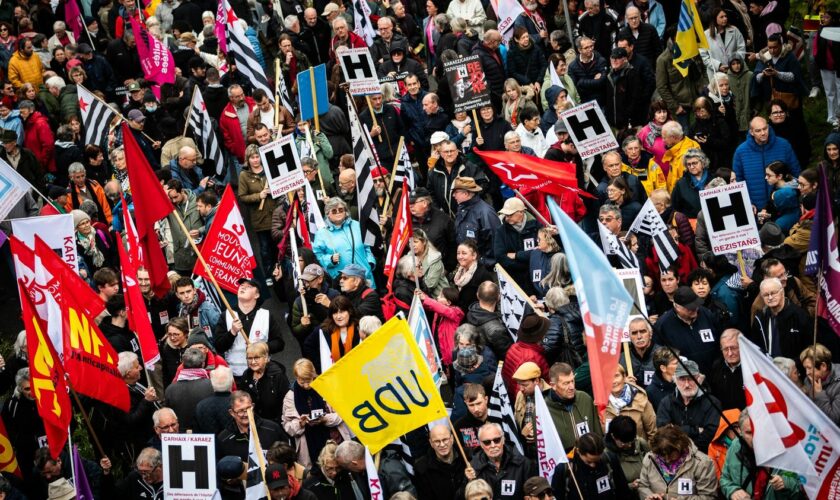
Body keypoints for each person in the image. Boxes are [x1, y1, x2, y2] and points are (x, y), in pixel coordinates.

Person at [720, 409, 804, 499]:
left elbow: (801, 488)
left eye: (758, 431)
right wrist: (733, 491)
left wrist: (786, 483)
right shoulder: (735, 447)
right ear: (740, 431)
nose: (754, 438)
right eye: (749, 433)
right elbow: (724, 479)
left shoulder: (784, 449)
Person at [282, 358, 351, 468]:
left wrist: (325, 419)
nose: (306, 385)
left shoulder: (327, 386)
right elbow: (287, 426)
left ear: (313, 374)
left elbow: (344, 413)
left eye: (309, 381)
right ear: (296, 377)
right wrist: (300, 423)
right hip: (308, 449)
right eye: (301, 382)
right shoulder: (290, 397)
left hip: (334, 441)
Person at [213, 277, 285, 380]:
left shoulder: (266, 315)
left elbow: (279, 343)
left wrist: (261, 346)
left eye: (249, 286)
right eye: (241, 285)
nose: (243, 287)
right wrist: (232, 332)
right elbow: (219, 346)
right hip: (236, 375)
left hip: (262, 373)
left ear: (257, 295)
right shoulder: (226, 315)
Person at [732, 116, 800, 211]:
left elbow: (796, 173)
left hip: (783, 204)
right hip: (755, 208)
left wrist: (798, 198)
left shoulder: (784, 145)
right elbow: (738, 182)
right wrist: (748, 203)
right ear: (751, 132)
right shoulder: (741, 152)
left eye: (765, 129)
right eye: (758, 131)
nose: (763, 133)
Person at [655, 359, 721, 452]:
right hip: (673, 456)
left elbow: (710, 435)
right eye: (682, 379)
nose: (686, 384)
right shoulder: (666, 403)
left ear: (699, 379)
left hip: (703, 457)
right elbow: (664, 434)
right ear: (675, 380)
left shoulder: (712, 403)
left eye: (691, 378)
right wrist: (695, 430)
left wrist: (676, 431)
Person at [638, 425, 719, 499]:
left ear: (680, 447)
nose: (667, 459)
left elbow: (709, 497)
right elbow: (643, 486)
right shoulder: (650, 458)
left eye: (670, 454)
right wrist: (649, 496)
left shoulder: (702, 463)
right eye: (662, 455)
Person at [653, 286, 721, 375]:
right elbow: (659, 357)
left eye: (696, 305)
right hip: (684, 378)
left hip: (714, 374)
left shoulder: (707, 314)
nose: (694, 309)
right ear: (677, 306)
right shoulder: (663, 325)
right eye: (689, 308)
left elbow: (720, 340)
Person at [311, 197, 377, 287]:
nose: (338, 212)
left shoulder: (357, 225)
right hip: (342, 280)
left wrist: (370, 263)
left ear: (345, 212)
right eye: (334, 211)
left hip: (364, 276)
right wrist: (330, 259)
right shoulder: (322, 233)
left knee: (369, 299)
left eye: (341, 210)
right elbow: (318, 255)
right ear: (328, 214)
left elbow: (367, 246)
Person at [465, 423, 536, 500]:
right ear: (481, 444)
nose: (493, 445)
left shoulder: (524, 464)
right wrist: (469, 482)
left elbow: (534, 494)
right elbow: (461, 497)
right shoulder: (473, 467)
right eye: (487, 442)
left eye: (497, 440)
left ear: (503, 439)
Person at [551, 432, 632, 499]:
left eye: (596, 461)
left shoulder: (609, 459)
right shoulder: (564, 469)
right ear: (579, 451)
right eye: (589, 462)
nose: (593, 465)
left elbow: (623, 490)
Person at [545, 362, 603, 453]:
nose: (571, 387)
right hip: (566, 464)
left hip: (592, 459)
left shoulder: (585, 399)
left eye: (572, 381)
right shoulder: (545, 411)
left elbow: (598, 433)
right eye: (566, 383)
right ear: (553, 386)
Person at [749, 277, 811, 360]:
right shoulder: (760, 318)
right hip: (769, 368)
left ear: (782, 292)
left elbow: (808, 348)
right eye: (766, 295)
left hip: (794, 369)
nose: (770, 297)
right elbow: (755, 347)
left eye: (773, 293)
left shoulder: (799, 315)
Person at [217, 391, 289, 461]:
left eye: (248, 409)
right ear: (232, 412)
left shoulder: (272, 429)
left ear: (253, 406)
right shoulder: (224, 439)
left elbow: (288, 454)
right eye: (241, 411)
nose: (246, 414)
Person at [334, 440, 416, 498]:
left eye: (345, 466)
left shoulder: (388, 468)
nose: (347, 470)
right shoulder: (363, 473)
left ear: (354, 463)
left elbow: (408, 495)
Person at [304, 295, 361, 372]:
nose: (338, 316)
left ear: (349, 312)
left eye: (342, 312)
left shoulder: (359, 328)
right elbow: (308, 345)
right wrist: (321, 365)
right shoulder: (324, 330)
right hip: (334, 375)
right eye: (335, 313)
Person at [164, 347, 214, 431]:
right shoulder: (212, 386)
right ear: (202, 364)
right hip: (206, 436)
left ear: (182, 364)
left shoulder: (170, 389)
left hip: (181, 436)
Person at [415, 424, 469, 499]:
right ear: (431, 443)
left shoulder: (468, 457)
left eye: (445, 439)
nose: (442, 444)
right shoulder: (422, 468)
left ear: (452, 439)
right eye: (437, 441)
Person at [605, 365, 657, 442]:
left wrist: (647, 451)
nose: (613, 381)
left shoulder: (641, 400)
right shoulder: (600, 404)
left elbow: (653, 434)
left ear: (624, 377)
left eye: (616, 376)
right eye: (608, 377)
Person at [503, 314, 551, 398]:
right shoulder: (533, 357)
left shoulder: (514, 347)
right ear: (541, 335)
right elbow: (523, 387)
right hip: (528, 398)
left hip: (510, 393)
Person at [242, 341, 289, 424]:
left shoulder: (278, 376)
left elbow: (287, 403)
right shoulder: (246, 375)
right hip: (254, 424)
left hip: (276, 424)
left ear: (266, 358)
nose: (253, 362)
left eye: (256, 358)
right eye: (249, 358)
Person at [603, 415, 651, 492]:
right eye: (624, 442)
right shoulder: (607, 455)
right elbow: (609, 485)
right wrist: (630, 486)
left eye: (631, 441)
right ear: (613, 436)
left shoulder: (641, 444)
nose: (629, 445)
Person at [707, 329, 746, 411]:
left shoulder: (751, 367)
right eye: (725, 349)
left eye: (733, 348)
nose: (730, 353)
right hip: (724, 418)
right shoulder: (716, 367)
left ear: (742, 346)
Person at [802, 344, 840, 426]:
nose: (807, 373)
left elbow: (834, 419)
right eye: (805, 368)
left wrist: (819, 394)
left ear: (823, 366)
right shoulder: (808, 380)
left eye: (809, 368)